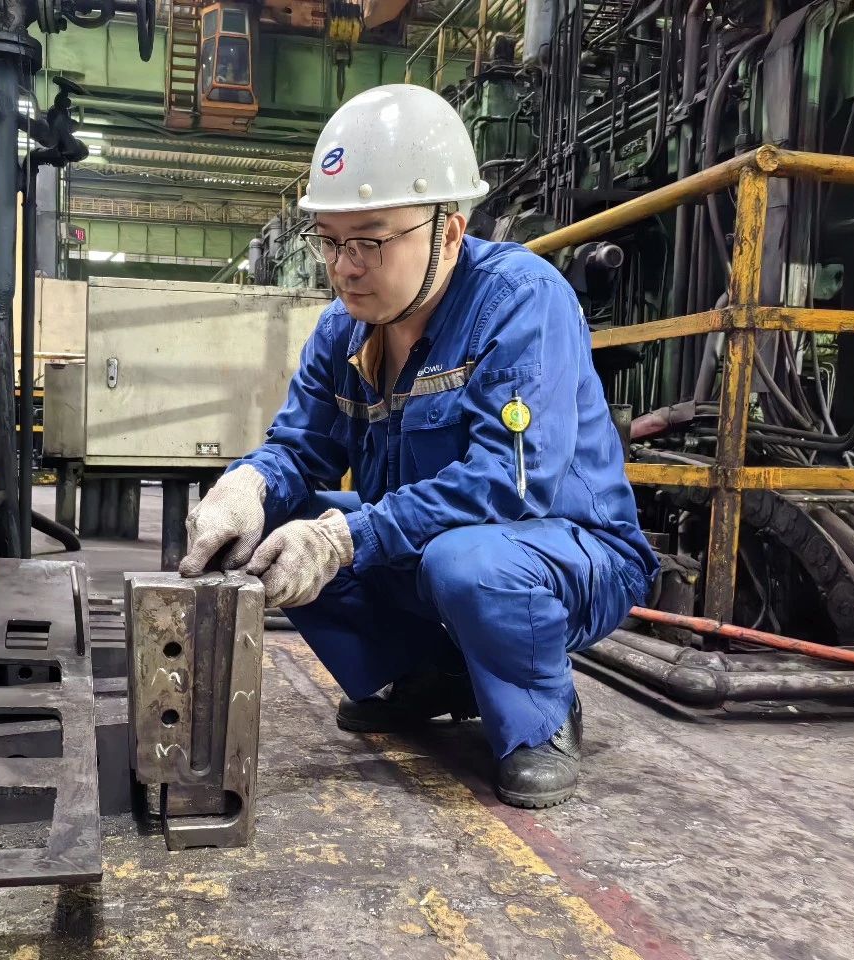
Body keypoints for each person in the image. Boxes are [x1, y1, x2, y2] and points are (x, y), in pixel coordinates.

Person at [178, 84, 658, 809]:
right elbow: (299, 448)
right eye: (330, 241)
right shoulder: (343, 330)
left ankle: (540, 718)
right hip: (430, 549)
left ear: (449, 232)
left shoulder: (520, 301)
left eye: (369, 241)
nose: (345, 267)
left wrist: (346, 537)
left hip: (564, 552)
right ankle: (432, 675)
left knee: (464, 562)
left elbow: (509, 484)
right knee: (275, 529)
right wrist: (246, 487)